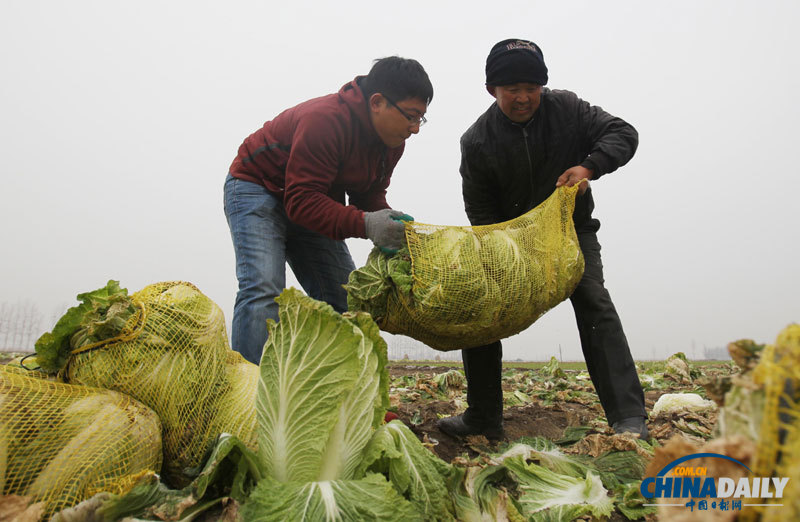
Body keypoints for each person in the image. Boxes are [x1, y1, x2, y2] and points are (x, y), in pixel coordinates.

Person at [437, 39, 648, 440]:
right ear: (491, 91)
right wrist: (507, 253)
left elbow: (623, 133)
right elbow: (481, 214)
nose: (523, 98)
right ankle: (483, 418)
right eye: (511, 89)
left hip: (571, 232)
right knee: (482, 309)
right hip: (511, 242)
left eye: (531, 87)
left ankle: (629, 418)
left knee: (593, 301)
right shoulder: (477, 141)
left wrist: (589, 167)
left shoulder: (567, 108)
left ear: (543, 86)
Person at [224, 57, 433, 365]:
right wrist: (366, 224)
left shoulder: (391, 141)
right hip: (257, 188)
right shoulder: (324, 120)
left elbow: (368, 192)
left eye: (422, 119)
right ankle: (248, 398)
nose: (415, 129)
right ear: (377, 102)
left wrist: (388, 222)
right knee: (264, 288)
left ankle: (346, 394)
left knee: (347, 299)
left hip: (312, 198)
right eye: (411, 116)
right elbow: (301, 200)